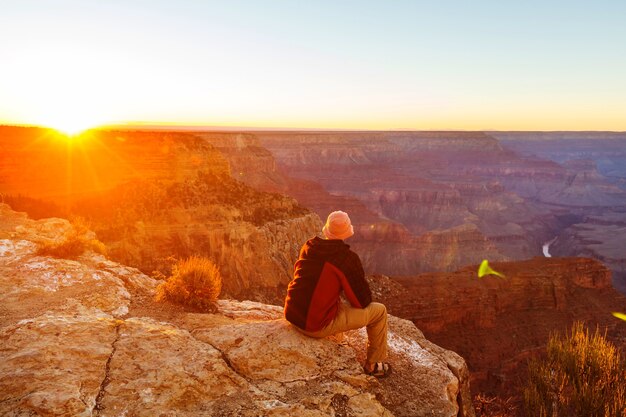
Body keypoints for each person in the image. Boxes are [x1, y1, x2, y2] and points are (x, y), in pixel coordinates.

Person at [284, 210, 391, 378]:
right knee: (379, 311)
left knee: (335, 301)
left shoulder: (309, 245)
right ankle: (374, 365)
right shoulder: (346, 259)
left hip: (292, 313)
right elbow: (361, 302)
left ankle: (336, 336)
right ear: (347, 230)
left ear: (327, 228)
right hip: (313, 326)